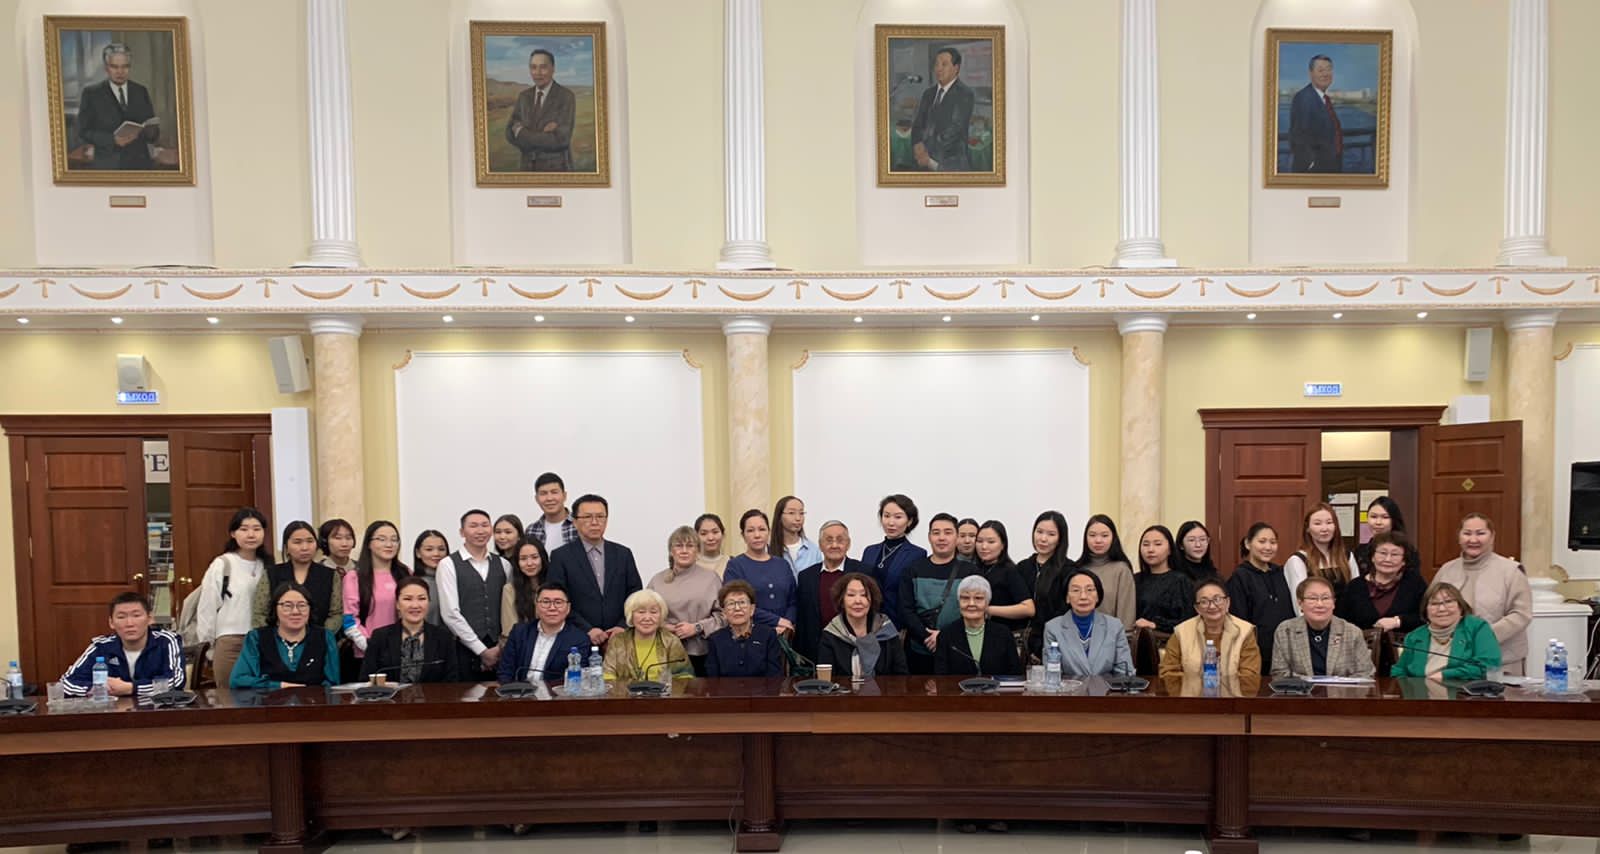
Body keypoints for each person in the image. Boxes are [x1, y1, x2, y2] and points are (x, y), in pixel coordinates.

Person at [1432, 513, 1533, 675]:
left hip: (1502, 661)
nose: (1473, 539)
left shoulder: (1511, 571)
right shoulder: (1446, 570)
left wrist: (1483, 637)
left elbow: (1521, 614)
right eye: (1467, 533)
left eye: (1480, 533)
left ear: (1492, 537)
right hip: (1454, 662)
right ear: (1459, 537)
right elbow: (1432, 609)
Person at [547, 494, 642, 646]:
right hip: (578, 638)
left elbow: (635, 594)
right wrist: (587, 629)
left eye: (600, 516)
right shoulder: (561, 556)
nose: (595, 522)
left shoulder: (623, 554)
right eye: (587, 517)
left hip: (620, 639)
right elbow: (557, 599)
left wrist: (622, 625)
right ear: (575, 522)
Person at [195, 508, 272, 688]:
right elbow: (207, 608)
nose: (251, 534)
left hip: (263, 641)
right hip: (231, 642)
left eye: (257, 529)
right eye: (244, 529)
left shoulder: (268, 565)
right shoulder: (223, 564)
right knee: (229, 697)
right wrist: (207, 647)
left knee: (264, 697)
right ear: (233, 533)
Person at [61, 592, 184, 700]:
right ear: (111, 622)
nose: (129, 623)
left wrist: (131, 688)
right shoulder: (100, 646)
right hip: (112, 713)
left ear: (150, 619)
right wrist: (98, 689)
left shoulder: (166, 641)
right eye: (121, 617)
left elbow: (177, 681)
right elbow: (66, 683)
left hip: (156, 712)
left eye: (136, 615)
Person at [437, 509, 512, 680]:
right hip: (463, 649)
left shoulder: (504, 564)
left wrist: (500, 647)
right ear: (462, 532)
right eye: (473, 526)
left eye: (485, 525)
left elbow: (509, 609)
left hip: (500, 650)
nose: (480, 530)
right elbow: (450, 613)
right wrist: (481, 650)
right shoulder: (448, 564)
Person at [230, 582, 340, 691]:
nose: (295, 611)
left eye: (302, 605)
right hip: (268, 701)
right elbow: (237, 680)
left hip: (313, 701)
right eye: (287, 606)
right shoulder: (256, 638)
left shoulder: (325, 637)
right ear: (275, 609)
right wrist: (279, 686)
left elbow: (332, 684)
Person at [648, 525, 725, 676]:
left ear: (698, 551)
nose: (684, 551)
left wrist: (697, 627)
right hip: (664, 653)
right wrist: (664, 627)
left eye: (690, 546)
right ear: (671, 551)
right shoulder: (657, 581)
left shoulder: (711, 579)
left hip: (702, 653)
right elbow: (643, 615)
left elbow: (724, 617)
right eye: (679, 546)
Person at [1392, 581, 1502, 681]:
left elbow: (1488, 665)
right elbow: (1398, 671)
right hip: (1422, 695)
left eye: (1448, 602)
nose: (1442, 609)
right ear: (1426, 610)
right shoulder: (1415, 636)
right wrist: (1407, 689)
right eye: (1434, 604)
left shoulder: (1477, 628)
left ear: (1460, 606)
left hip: (1464, 694)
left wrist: (1445, 675)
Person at [76, 43, 162, 170]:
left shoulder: (140, 91)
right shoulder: (92, 94)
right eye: (114, 67)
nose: (120, 72)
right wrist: (112, 140)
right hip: (109, 164)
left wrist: (152, 132)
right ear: (106, 68)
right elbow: (83, 131)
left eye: (125, 67)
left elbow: (152, 131)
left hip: (139, 163)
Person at [897, 513, 965, 674]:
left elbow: (974, 610)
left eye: (948, 532)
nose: (941, 538)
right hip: (919, 650)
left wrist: (943, 637)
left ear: (957, 537)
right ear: (929, 537)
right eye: (936, 532)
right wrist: (926, 636)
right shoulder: (912, 570)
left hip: (958, 650)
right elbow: (905, 609)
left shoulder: (970, 572)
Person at [360, 577, 461, 683]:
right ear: (397, 604)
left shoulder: (444, 637)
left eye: (422, 599)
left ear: (429, 602)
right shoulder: (380, 637)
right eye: (408, 599)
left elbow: (452, 681)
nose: (415, 605)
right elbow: (366, 679)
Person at [1270, 577, 1375, 679]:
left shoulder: (1352, 632)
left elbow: (1366, 674)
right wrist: (1309, 682)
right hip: (1301, 690)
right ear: (1300, 603)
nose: (1320, 604)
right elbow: (1279, 673)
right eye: (1312, 598)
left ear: (1333, 603)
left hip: (1341, 690)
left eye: (1325, 598)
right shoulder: (1286, 631)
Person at [1159, 579, 1262, 680]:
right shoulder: (1181, 632)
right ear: (1197, 609)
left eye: (1217, 599)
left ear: (1227, 603)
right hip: (1191, 691)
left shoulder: (1244, 631)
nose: (1212, 606)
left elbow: (1250, 675)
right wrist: (1202, 684)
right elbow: (1167, 673)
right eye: (1204, 602)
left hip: (1233, 691)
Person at [252, 521, 342, 634]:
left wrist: (320, 636)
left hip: (319, 639)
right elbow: (260, 613)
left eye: (310, 541)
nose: (305, 547)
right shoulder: (271, 574)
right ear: (286, 546)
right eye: (297, 542)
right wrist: (278, 637)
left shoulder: (330, 575)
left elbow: (336, 613)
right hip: (277, 640)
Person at [1226, 522, 1294, 669]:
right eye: (1262, 541)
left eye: (1273, 542)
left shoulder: (1281, 573)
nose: (1268, 547)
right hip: (1256, 654)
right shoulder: (1240, 576)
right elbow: (1238, 620)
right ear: (1248, 544)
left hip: (1286, 651)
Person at [1043, 569, 1135, 678]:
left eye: (1090, 590)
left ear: (1098, 596)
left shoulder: (1114, 626)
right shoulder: (1053, 628)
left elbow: (1125, 671)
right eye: (1076, 590)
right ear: (1067, 597)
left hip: (1106, 688)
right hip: (1070, 688)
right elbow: (1052, 674)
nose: (1083, 596)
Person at [794, 520, 864, 661]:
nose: (834, 545)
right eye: (829, 540)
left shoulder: (863, 572)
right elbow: (802, 619)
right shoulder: (806, 576)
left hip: (854, 649)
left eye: (840, 540)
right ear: (820, 545)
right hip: (816, 651)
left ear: (848, 544)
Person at [817, 573, 908, 678]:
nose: (858, 601)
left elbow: (901, 676)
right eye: (851, 595)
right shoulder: (831, 635)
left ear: (872, 599)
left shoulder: (886, 630)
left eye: (864, 595)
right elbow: (826, 680)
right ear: (841, 601)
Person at [342, 521, 410, 662]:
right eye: (381, 539)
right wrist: (371, 647)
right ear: (369, 543)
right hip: (367, 653)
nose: (389, 544)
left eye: (394, 540)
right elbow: (350, 621)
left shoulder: (406, 573)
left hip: (403, 652)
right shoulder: (354, 577)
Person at [724, 509, 797, 639]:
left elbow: (793, 600)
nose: (757, 535)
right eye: (750, 530)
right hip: (751, 635)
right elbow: (737, 604)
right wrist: (777, 621)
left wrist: (787, 623)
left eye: (762, 529)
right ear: (743, 535)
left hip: (784, 633)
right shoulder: (735, 566)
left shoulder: (782, 564)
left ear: (769, 532)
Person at [1337, 531, 1427, 634]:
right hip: (1362, 643)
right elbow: (1341, 622)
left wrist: (1398, 621)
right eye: (1383, 553)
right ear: (1372, 557)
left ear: (1404, 561)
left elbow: (1426, 616)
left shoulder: (1414, 583)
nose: (1387, 559)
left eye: (1395, 554)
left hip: (1406, 642)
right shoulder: (1355, 587)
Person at [499, 582, 589, 683]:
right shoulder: (520, 632)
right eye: (546, 602)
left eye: (558, 602)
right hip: (519, 691)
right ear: (536, 606)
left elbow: (576, 678)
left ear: (568, 608)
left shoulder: (579, 639)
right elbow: (505, 671)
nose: (552, 608)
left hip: (555, 692)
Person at [933, 575, 1022, 677]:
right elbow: (941, 678)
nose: (971, 603)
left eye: (978, 598)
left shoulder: (1004, 634)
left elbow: (1015, 674)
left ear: (987, 603)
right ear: (958, 602)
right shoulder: (946, 635)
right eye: (965, 598)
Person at [505, 48, 576, 172]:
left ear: (553, 69)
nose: (537, 73)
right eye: (533, 67)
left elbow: (561, 140)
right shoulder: (524, 96)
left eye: (543, 67)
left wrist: (522, 132)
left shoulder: (566, 96)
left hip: (556, 170)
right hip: (526, 169)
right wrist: (544, 136)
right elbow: (509, 132)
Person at [602, 589, 694, 683]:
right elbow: (607, 676)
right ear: (631, 615)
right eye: (641, 612)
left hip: (662, 691)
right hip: (625, 691)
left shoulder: (671, 641)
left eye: (653, 612)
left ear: (661, 615)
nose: (647, 618)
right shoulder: (618, 641)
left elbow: (684, 675)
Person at [907, 47, 975, 172]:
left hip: (950, 163)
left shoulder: (965, 94)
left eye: (944, 64)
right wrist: (917, 144)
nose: (938, 69)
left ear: (956, 68)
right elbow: (917, 124)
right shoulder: (928, 94)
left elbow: (954, 130)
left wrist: (926, 152)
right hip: (923, 161)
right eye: (937, 64)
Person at [1282, 503, 1361, 609]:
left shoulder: (1347, 556)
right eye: (1317, 523)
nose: (1324, 528)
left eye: (1329, 522)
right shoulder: (1298, 560)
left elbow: (1357, 593)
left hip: (1347, 618)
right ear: (1307, 528)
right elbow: (1299, 604)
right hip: (1315, 617)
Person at [862, 494, 927, 620]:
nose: (891, 522)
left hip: (897, 621)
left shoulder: (917, 554)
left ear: (909, 521)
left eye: (898, 517)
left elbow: (914, 596)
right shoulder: (869, 551)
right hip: (866, 619)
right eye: (886, 516)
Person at [705, 580, 785, 677]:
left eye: (742, 602)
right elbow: (712, 678)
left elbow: (775, 675)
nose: (737, 608)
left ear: (752, 609)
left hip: (763, 687)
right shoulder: (715, 640)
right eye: (731, 604)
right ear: (724, 612)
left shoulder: (768, 635)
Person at [1073, 514, 1138, 630]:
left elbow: (1126, 617)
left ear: (1113, 538)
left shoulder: (1121, 570)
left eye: (1104, 535)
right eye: (1092, 535)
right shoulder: (1076, 569)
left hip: (1111, 637)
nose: (1098, 540)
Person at [972, 520, 1035, 639]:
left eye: (991, 542)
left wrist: (989, 610)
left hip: (1004, 635)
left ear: (1002, 545)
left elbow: (1028, 608)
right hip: (979, 634)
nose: (984, 546)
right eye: (979, 541)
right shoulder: (975, 569)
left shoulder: (1009, 571)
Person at [1133, 525, 1195, 635]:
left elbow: (1189, 621)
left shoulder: (1181, 581)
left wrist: (1155, 625)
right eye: (1146, 544)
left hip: (1168, 641)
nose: (1150, 550)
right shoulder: (1135, 580)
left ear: (1170, 549)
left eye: (1158, 544)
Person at [1289, 54, 1343, 173]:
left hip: (1331, 166)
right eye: (1320, 70)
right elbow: (1298, 136)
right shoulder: (1304, 97)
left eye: (1328, 69)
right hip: (1316, 169)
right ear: (1311, 74)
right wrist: (1310, 164)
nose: (1325, 74)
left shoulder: (1324, 99)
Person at [1353, 497, 1421, 577]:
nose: (1378, 522)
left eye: (1385, 517)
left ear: (1394, 520)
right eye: (1373, 517)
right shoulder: (1360, 551)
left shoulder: (1408, 551)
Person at [501, 538, 549, 646]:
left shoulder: (554, 586)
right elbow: (510, 631)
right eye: (523, 559)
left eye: (534, 557)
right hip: (522, 646)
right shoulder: (510, 590)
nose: (529, 563)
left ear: (543, 558)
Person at [1016, 510, 1072, 598]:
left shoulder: (1069, 569)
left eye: (1051, 534)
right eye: (1039, 532)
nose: (1043, 539)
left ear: (1060, 539)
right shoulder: (1022, 567)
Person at [524, 472, 578, 550]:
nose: (549, 498)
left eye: (554, 492)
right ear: (536, 499)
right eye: (543, 493)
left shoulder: (579, 524)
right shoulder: (531, 530)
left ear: (564, 496)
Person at [774, 496, 822, 578]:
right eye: (791, 513)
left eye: (801, 513)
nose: (798, 518)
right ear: (779, 516)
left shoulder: (813, 550)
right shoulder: (769, 548)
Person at [411, 529, 450, 626]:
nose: (436, 554)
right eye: (429, 549)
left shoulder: (453, 580)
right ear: (418, 553)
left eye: (441, 549)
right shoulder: (413, 584)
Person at [694, 513, 730, 579]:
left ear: (723, 534)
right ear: (696, 537)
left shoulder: (733, 563)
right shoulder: (690, 564)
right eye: (703, 533)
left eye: (715, 532)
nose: (710, 538)